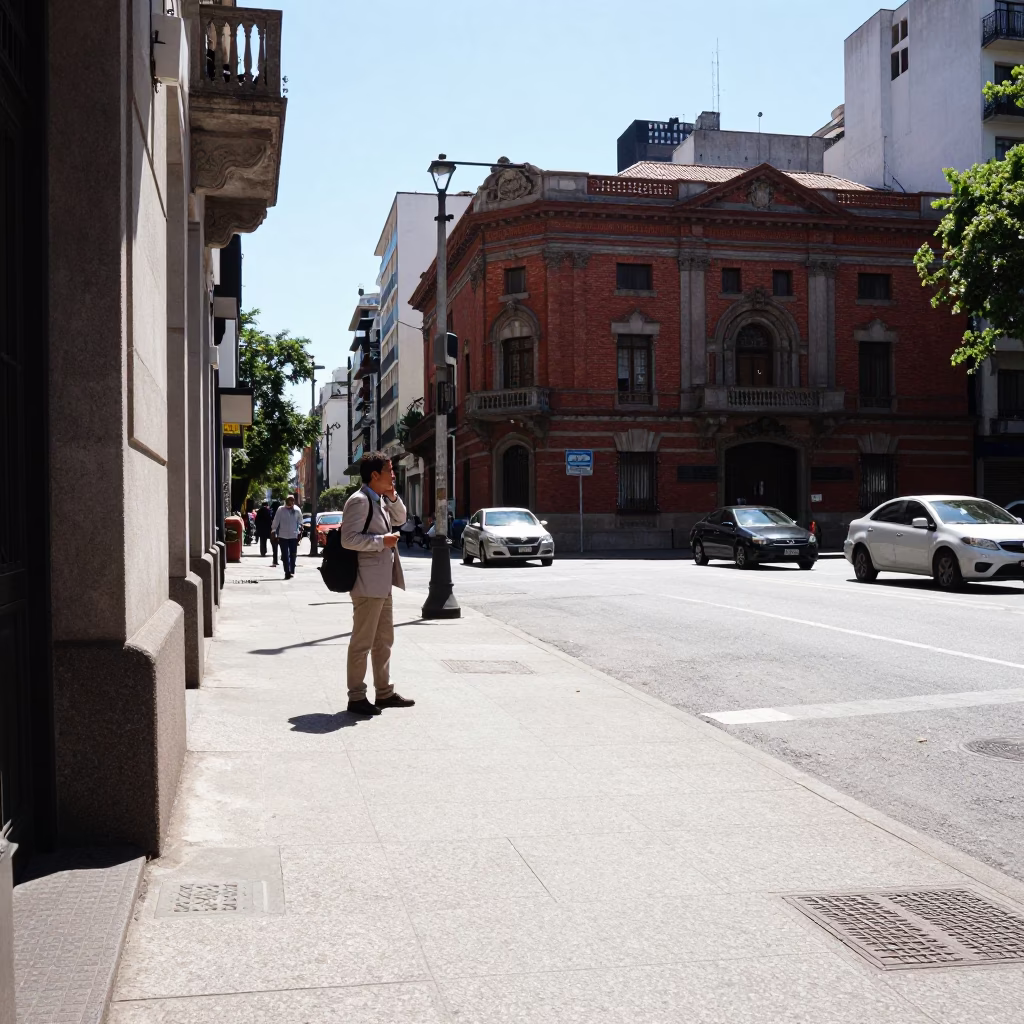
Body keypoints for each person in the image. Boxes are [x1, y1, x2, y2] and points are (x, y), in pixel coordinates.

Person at [341, 452, 416, 716]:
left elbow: (401, 519)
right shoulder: (359, 501)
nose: (393, 475)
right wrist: (380, 542)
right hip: (367, 583)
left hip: (382, 583)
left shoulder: (381, 500)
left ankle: (384, 692)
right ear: (375, 475)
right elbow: (348, 539)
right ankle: (356, 696)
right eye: (389, 471)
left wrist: (393, 496)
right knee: (362, 641)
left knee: (384, 640)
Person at [270, 493, 303, 579]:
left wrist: (300, 529)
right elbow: (276, 520)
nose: (291, 502)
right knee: (284, 555)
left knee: (293, 554)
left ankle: (292, 570)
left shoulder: (297, 510)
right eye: (289, 500)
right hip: (283, 536)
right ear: (286, 501)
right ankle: (287, 571)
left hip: (293, 535)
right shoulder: (281, 509)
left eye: (293, 500)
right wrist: (273, 531)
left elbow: (300, 521)